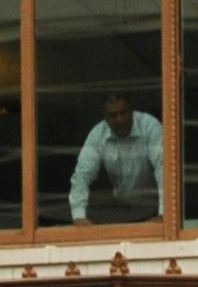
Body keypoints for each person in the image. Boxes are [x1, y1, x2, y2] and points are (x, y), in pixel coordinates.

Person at [70, 87, 166, 223]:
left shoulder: (150, 127)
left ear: (131, 111)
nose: (120, 120)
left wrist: (164, 215)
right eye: (113, 115)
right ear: (105, 118)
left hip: (154, 209)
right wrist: (79, 217)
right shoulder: (98, 135)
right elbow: (82, 175)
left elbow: (165, 170)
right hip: (122, 210)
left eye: (123, 113)